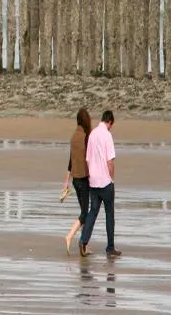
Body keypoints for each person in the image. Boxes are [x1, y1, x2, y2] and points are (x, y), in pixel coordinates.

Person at [79, 109, 120, 258]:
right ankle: (110, 248)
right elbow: (110, 161)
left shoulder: (92, 134)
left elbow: (88, 159)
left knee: (93, 212)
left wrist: (91, 176)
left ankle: (84, 240)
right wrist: (112, 178)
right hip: (105, 181)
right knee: (109, 215)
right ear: (109, 122)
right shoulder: (107, 135)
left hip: (93, 180)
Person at [60, 107, 94, 252]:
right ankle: (70, 236)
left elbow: (70, 160)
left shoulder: (73, 136)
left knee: (84, 211)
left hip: (75, 179)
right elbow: (88, 159)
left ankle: (84, 245)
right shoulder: (87, 136)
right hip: (84, 179)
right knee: (85, 213)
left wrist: (66, 181)